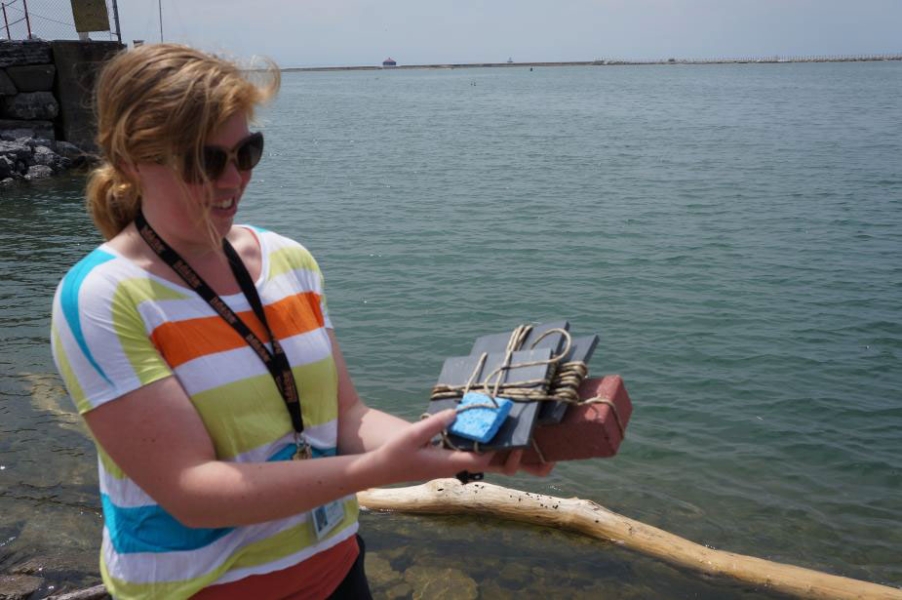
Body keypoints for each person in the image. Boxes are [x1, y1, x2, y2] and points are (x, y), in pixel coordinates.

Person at [50, 44, 550, 600]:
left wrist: (452, 449)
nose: (232, 179)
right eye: (204, 162)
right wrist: (374, 471)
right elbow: (193, 492)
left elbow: (343, 417)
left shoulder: (289, 261)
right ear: (129, 160)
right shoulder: (101, 297)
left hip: (335, 566)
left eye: (247, 152)